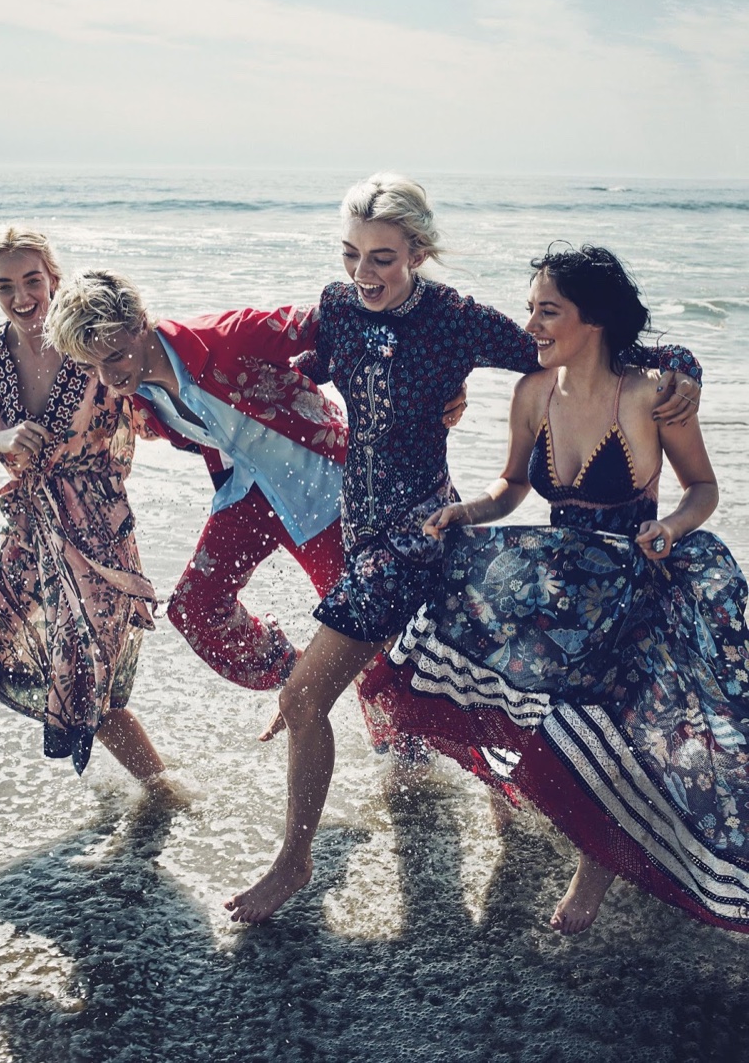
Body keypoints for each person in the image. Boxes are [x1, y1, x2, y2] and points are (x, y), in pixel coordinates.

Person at [224, 174, 703, 924]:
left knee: (305, 696)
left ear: (417, 250)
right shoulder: (339, 308)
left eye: (382, 257)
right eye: (352, 255)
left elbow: (570, 352)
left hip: (420, 527)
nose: (364, 274)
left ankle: (294, 863)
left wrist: (681, 369)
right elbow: (311, 374)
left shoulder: (455, 320)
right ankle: (508, 792)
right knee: (426, 685)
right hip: (363, 527)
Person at [383, 242, 749, 936]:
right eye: (530, 311)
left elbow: (704, 487)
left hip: (638, 581)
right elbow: (512, 486)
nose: (532, 327)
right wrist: (468, 511)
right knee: (490, 681)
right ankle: (525, 798)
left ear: (596, 318)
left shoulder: (650, 394)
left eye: (548, 312)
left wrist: (671, 525)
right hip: (561, 581)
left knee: (613, 728)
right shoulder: (531, 393)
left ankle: (595, 869)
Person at [42, 270, 465, 752]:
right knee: (194, 609)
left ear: (140, 321)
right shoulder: (136, 391)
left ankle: (406, 759)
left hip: (326, 495)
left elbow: (342, 317)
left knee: (368, 642)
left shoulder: (225, 337)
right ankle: (303, 674)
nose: (109, 375)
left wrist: (443, 380)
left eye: (115, 355)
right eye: (93, 364)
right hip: (250, 497)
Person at [0, 228, 166, 779]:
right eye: (5, 286)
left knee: (90, 676)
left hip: (99, 536)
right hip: (31, 538)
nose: (22, 297)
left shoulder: (90, 347)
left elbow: (163, 398)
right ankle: (163, 790)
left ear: (53, 280)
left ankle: (163, 792)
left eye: (32, 281)